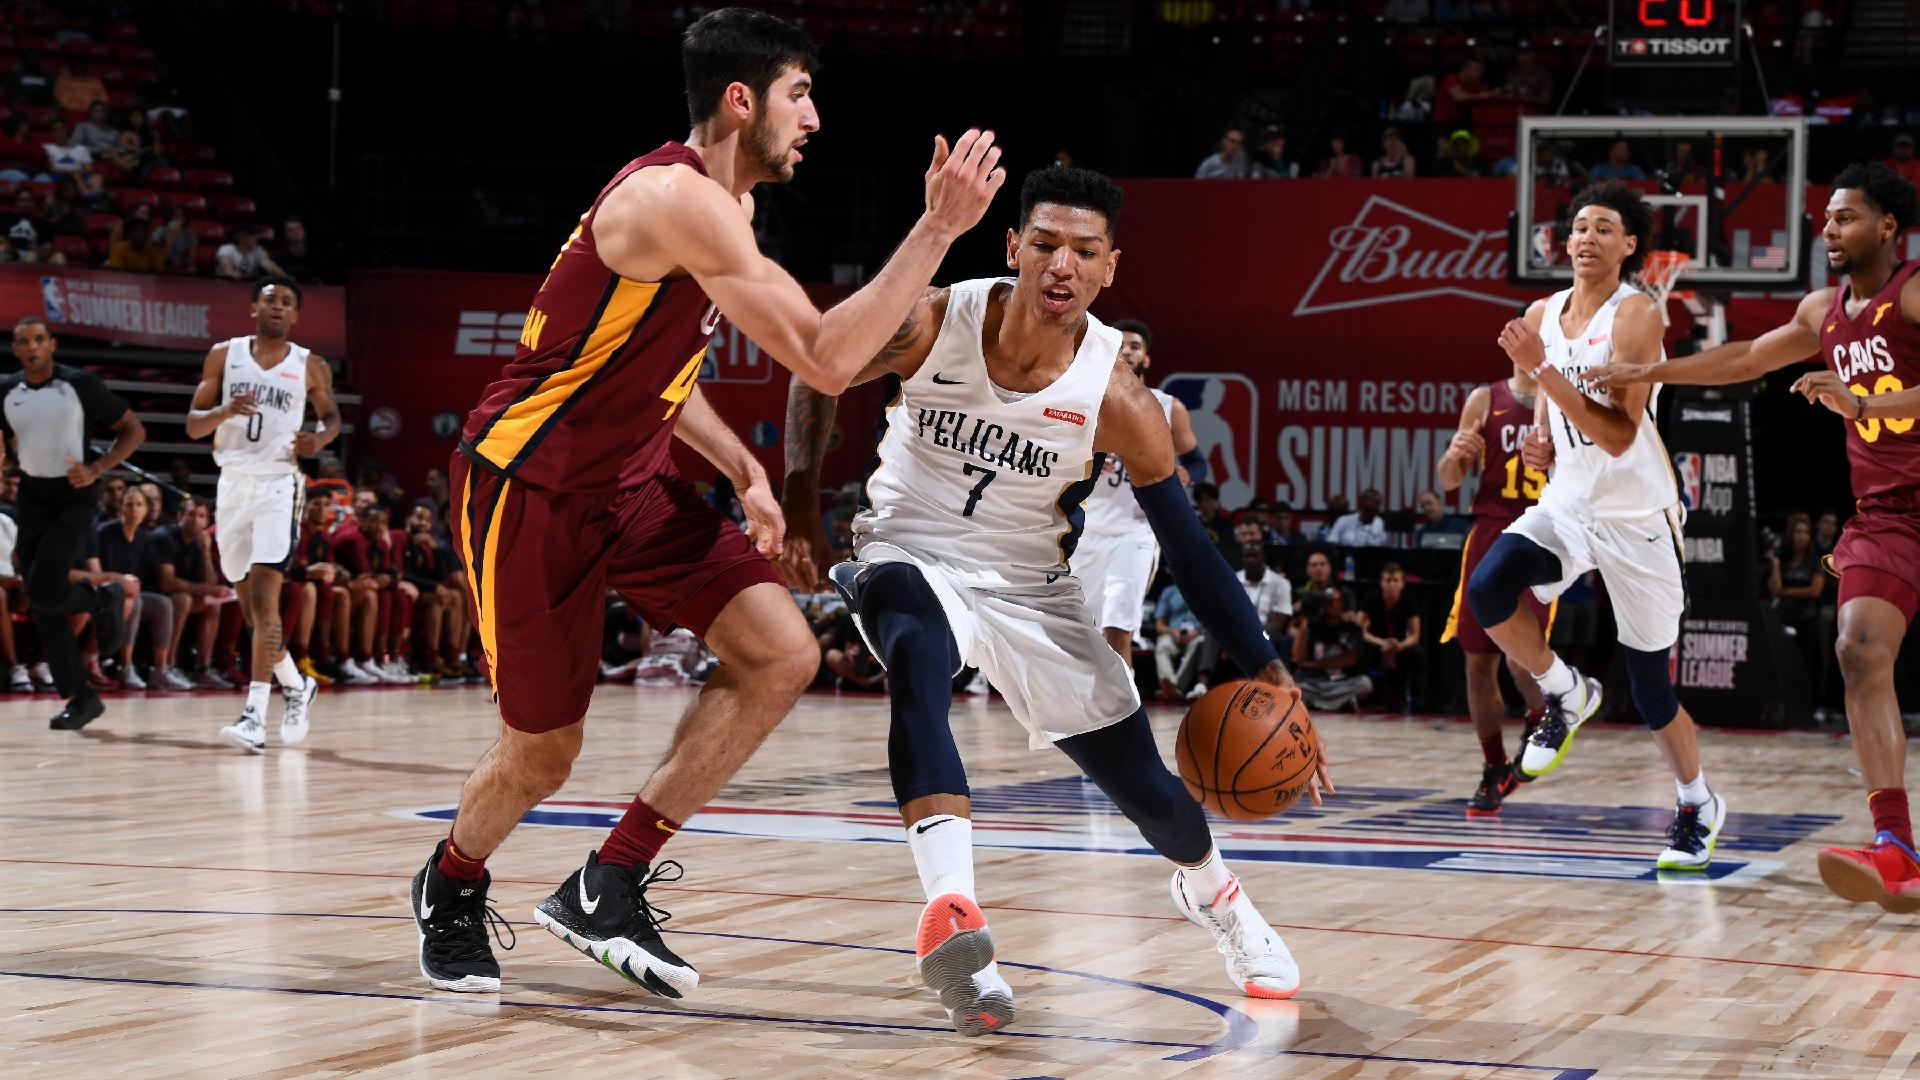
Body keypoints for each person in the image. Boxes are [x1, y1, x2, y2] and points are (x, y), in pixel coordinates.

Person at [408, 8, 1005, 998]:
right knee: (544, 753)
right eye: (799, 95)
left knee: (781, 653)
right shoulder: (674, 199)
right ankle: (453, 881)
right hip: (533, 487)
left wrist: (741, 468)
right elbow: (826, 358)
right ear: (741, 100)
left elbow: (656, 371)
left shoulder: (725, 207)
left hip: (632, 483)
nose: (813, 117)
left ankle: (609, 882)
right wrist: (938, 226)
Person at [780, 166, 1333, 1035]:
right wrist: (800, 506)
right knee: (916, 648)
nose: (1060, 265)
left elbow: (1190, 551)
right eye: (1044, 244)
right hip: (909, 546)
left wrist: (1269, 666)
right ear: (1013, 248)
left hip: (1032, 586)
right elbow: (817, 366)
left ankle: (1215, 893)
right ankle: (956, 918)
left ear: (1110, 268)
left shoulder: (1119, 398)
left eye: (1083, 250)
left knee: (1152, 796)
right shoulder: (932, 320)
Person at [1589, 161, 1920, 905]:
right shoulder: (1822, 311)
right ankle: (1896, 848)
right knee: (1858, 651)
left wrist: (1866, 404)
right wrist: (1648, 371)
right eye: (1827, 217)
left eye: (1846, 217)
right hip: (1890, 516)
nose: (1829, 229)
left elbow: (1876, 399)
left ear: (1888, 227)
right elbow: (1743, 357)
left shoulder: (1913, 292)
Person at [1473, 181, 1724, 869]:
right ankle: (1564, 689)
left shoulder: (1637, 314)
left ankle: (1697, 802)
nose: (1587, 237)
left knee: (1650, 690)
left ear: (1629, 245)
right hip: (1570, 503)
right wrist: (1540, 437)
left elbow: (1617, 435)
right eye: (1580, 226)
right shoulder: (1543, 312)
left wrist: (1542, 371)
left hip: (1637, 515)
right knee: (1489, 589)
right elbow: (1546, 399)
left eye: (1604, 228)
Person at [183, 278, 337, 753]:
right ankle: (296, 684)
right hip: (232, 485)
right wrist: (225, 410)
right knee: (251, 611)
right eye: (270, 299)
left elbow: (332, 419)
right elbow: (193, 426)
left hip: (278, 485)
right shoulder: (223, 356)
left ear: (295, 315)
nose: (278, 307)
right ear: (254, 307)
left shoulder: (309, 364)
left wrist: (319, 439)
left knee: (267, 601)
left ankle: (254, 715)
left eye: (287, 302)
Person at [0, 318, 143, 729]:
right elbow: (7, 444)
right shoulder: (6, 391)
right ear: (15, 349)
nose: (31, 346)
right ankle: (82, 698)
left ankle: (100, 599)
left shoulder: (80, 384)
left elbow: (133, 430)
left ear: (52, 344)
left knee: (45, 588)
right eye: (23, 341)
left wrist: (97, 468)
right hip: (31, 496)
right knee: (40, 598)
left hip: (74, 495)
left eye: (38, 339)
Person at [1436, 363, 1551, 815]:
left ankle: (1542, 718)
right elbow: (1449, 478)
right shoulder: (1485, 399)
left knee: (1522, 658)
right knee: (1477, 663)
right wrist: (1453, 455)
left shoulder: (1561, 396)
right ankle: (1493, 766)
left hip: (1542, 531)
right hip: (1489, 531)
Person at [1071, 317, 1201, 663]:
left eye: (1135, 346)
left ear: (1147, 358)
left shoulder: (1169, 406)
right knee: (1077, 630)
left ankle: (1124, 698)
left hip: (1134, 533)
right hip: (1087, 529)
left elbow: (1198, 462)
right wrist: (1088, 457)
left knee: (1117, 630)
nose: (1127, 350)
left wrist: (1185, 473)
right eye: (1121, 344)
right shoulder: (1084, 399)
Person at [1292, 588, 1372, 711]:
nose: (1333, 604)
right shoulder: (1312, 627)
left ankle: (1316, 703)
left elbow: (1350, 660)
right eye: (1329, 600)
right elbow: (1298, 657)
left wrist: (1312, 664)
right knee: (1293, 687)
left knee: (1365, 684)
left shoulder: (1352, 628)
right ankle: (1342, 702)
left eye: (1337, 600)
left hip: (1341, 682)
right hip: (1315, 682)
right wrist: (1304, 624)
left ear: (1343, 603)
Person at [1359, 562, 1424, 712]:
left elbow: (1415, 635)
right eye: (1388, 580)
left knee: (1418, 653)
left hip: (1399, 646)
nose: (1391, 584)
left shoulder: (1409, 601)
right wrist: (1381, 643)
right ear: (1382, 583)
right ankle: (1364, 696)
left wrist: (1400, 645)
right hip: (1375, 644)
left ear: (1402, 583)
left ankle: (1417, 701)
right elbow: (1360, 630)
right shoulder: (1371, 599)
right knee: (1360, 650)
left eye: (1395, 580)